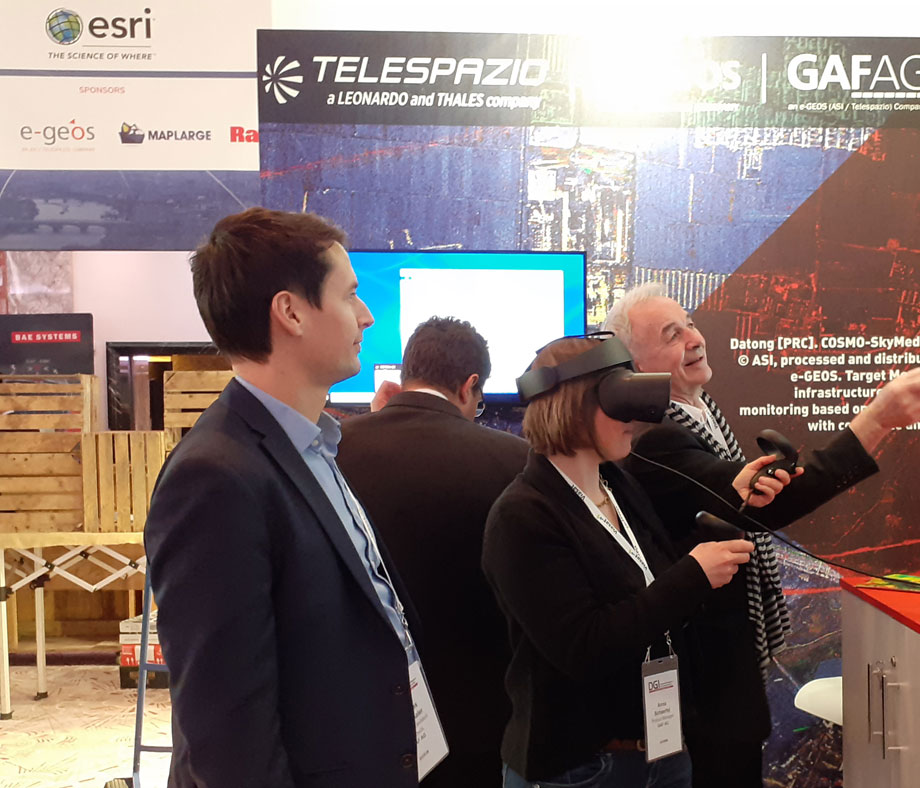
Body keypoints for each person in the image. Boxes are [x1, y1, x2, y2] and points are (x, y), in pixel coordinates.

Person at [605, 282, 920, 788]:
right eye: (672, 335)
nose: (694, 339)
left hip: (722, 676)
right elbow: (760, 504)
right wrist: (876, 420)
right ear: (634, 365)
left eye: (690, 324)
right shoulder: (657, 439)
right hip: (706, 683)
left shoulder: (697, 416)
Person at [144, 207, 434, 787]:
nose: (367, 315)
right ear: (291, 312)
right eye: (349, 295)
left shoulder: (312, 444)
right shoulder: (214, 477)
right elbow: (227, 733)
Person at [482, 335, 776, 788]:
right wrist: (693, 575)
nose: (634, 419)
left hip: (661, 750)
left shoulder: (616, 485)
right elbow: (584, 647)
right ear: (573, 407)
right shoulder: (523, 516)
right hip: (580, 768)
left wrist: (728, 508)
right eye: (620, 402)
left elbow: (649, 575)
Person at [337, 316, 529, 788]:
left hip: (361, 711)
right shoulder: (514, 460)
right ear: (469, 385)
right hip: (481, 715)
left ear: (406, 374)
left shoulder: (333, 453)